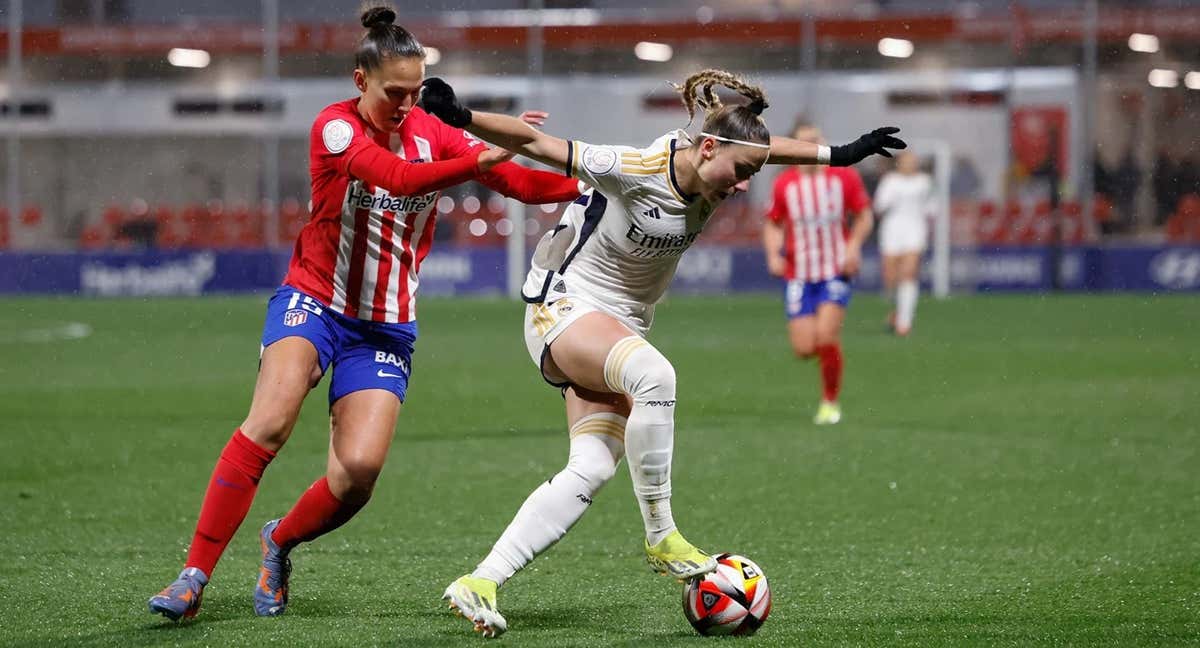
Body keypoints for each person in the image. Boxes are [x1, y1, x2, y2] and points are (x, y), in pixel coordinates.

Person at [419, 68, 904, 637]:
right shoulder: (635, 167)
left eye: (753, 172)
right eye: (742, 172)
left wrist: (839, 154)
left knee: (592, 466)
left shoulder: (724, 163)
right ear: (707, 147)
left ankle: (482, 581)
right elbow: (537, 144)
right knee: (655, 376)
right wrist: (463, 117)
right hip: (565, 307)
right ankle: (661, 534)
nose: (745, 184)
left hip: (617, 324)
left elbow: (769, 150)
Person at [147, 6, 582, 622]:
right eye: (393, 92)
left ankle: (280, 541)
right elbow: (399, 179)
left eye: (414, 91)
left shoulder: (435, 130)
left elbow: (523, 184)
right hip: (314, 299)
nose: (406, 104)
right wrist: (476, 164)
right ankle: (192, 577)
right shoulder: (335, 129)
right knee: (269, 423)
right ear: (361, 82)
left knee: (357, 474)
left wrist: (593, 186)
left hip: (386, 324)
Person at [762, 120, 874, 425]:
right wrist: (773, 253)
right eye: (804, 142)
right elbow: (773, 222)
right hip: (798, 274)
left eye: (814, 140)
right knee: (804, 348)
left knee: (826, 336)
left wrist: (853, 247)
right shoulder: (785, 184)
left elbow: (864, 215)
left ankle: (830, 402)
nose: (810, 147)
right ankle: (829, 359)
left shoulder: (844, 177)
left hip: (835, 270)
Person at [874, 151, 933, 336]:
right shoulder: (890, 181)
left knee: (909, 273)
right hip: (892, 230)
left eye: (913, 161)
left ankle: (904, 322)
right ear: (899, 163)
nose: (910, 164)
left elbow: (932, 207)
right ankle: (896, 310)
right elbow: (878, 206)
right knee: (890, 278)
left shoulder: (924, 182)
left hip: (915, 230)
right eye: (906, 161)